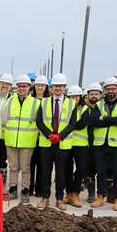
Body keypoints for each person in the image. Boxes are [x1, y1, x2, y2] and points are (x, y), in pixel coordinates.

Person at [35, 73, 77, 210]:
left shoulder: (71, 104)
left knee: (61, 173)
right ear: (52, 87)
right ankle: (45, 197)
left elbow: (72, 124)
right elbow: (39, 122)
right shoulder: (44, 102)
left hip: (62, 144)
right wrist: (49, 135)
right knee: (45, 172)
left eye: (60, 86)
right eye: (55, 86)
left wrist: (60, 136)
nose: (57, 88)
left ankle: (59, 198)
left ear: (64, 87)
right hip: (47, 143)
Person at [89, 76, 117, 211]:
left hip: (116, 145)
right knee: (100, 172)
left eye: (113, 88)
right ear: (105, 90)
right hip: (101, 144)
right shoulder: (99, 105)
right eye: (108, 89)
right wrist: (112, 120)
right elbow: (93, 121)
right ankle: (100, 196)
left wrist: (105, 118)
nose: (111, 91)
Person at [2, 74, 40, 203]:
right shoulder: (10, 100)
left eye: (24, 86)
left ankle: (25, 191)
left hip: (28, 141)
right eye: (19, 86)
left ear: (30, 87)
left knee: (25, 168)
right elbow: (4, 120)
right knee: (12, 166)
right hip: (11, 140)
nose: (22, 88)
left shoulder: (36, 103)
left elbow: (39, 123)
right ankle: (12, 189)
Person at [63, 84, 89, 208]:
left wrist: (71, 125)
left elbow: (82, 124)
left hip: (81, 144)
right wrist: (73, 125)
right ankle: (68, 193)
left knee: (81, 169)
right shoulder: (65, 109)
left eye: (77, 97)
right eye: (72, 97)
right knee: (67, 170)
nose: (75, 99)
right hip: (67, 142)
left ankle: (75, 193)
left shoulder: (85, 109)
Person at [29, 74, 49, 197]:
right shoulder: (30, 100)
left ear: (46, 87)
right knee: (30, 164)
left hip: (44, 137)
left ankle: (40, 189)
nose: (40, 88)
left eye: (42, 85)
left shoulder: (49, 101)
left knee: (42, 164)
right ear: (34, 86)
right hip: (31, 136)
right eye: (38, 85)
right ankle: (29, 188)